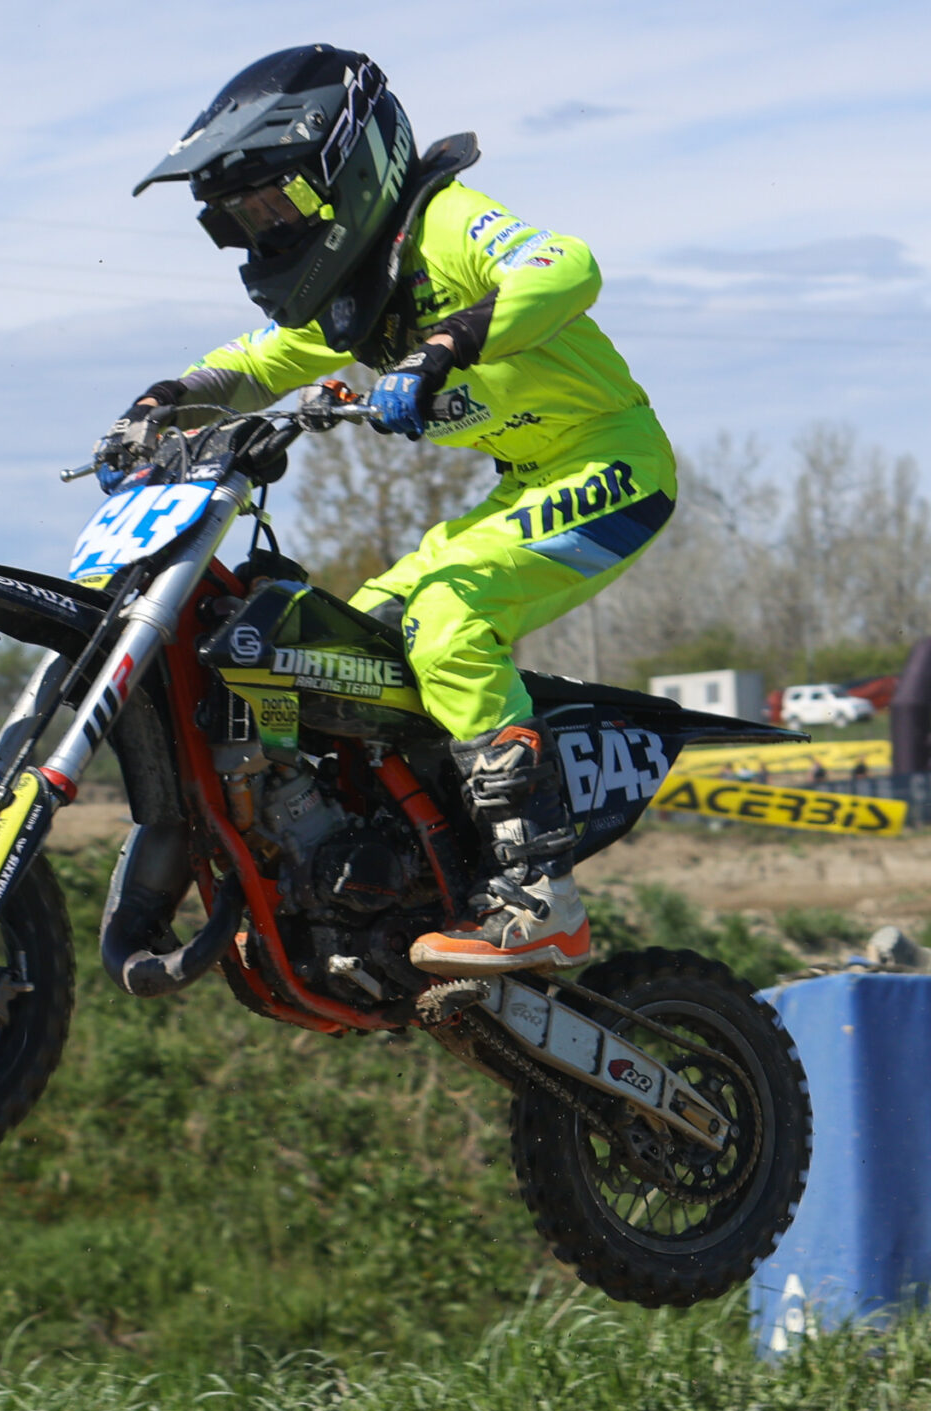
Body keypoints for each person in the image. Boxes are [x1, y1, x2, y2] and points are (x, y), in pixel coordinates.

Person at [109, 45, 675, 974]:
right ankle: (402, 872)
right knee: (351, 646)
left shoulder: (444, 225)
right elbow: (257, 362)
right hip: (525, 482)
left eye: (278, 203)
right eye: (243, 218)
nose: (265, 231)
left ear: (349, 167)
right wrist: (162, 403)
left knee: (447, 624)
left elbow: (565, 265)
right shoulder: (352, 294)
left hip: (614, 461)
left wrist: (447, 343)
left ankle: (543, 899)